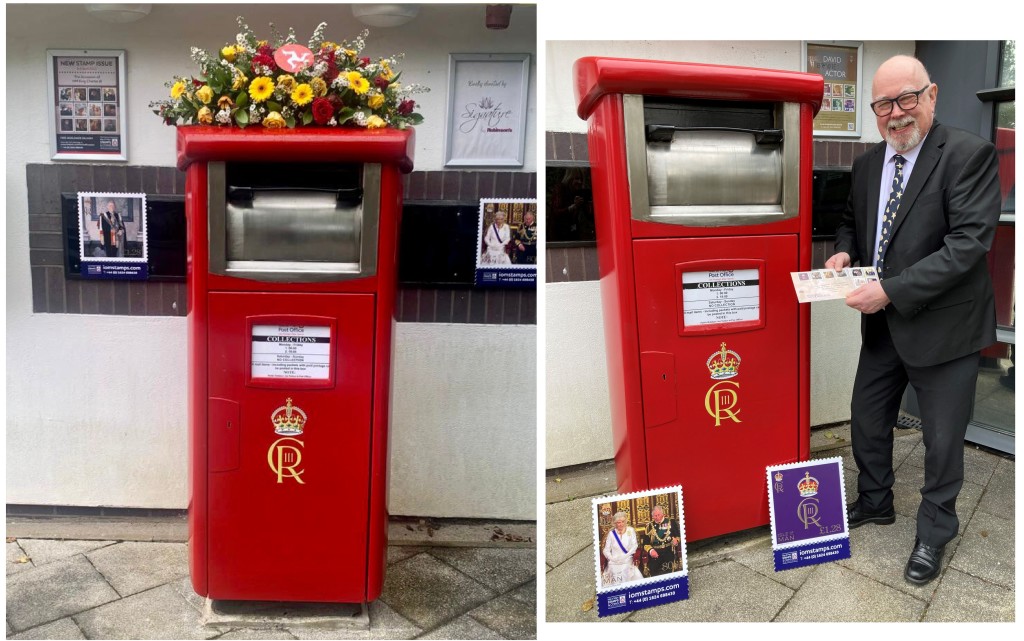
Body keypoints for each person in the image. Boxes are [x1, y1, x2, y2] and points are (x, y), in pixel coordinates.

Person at [824, 55, 1001, 586]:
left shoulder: (968, 155)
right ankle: (875, 501)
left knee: (942, 442)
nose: (896, 113)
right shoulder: (866, 164)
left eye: (907, 99)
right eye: (884, 104)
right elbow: (853, 224)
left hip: (945, 328)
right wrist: (841, 253)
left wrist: (889, 291)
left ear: (932, 95)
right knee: (866, 420)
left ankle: (935, 532)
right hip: (883, 329)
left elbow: (966, 246)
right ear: (874, 110)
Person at [600, 511, 643, 586]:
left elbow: (634, 546)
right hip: (614, 561)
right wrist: (612, 558)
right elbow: (606, 550)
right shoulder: (611, 534)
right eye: (618, 522)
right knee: (614, 571)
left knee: (624, 570)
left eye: (623, 522)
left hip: (627, 559)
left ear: (626, 521)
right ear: (615, 523)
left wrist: (625, 556)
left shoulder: (631, 530)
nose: (621, 524)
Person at [643, 504, 680, 577]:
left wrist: (676, 541)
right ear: (652, 516)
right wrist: (651, 551)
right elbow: (645, 544)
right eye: (655, 516)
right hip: (656, 553)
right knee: (653, 572)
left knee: (671, 572)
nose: (657, 517)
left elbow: (678, 536)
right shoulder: (649, 526)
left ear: (663, 514)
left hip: (669, 550)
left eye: (659, 515)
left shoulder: (671, 522)